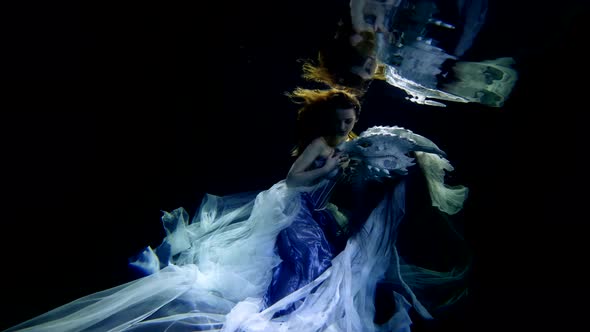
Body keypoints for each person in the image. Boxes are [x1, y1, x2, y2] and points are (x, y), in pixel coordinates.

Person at [4, 88, 470, 332]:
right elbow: (293, 181)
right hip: (292, 206)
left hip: (311, 210)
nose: (349, 128)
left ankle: (283, 302)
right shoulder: (317, 147)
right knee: (309, 260)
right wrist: (327, 174)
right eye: (343, 122)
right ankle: (276, 311)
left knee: (312, 262)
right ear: (329, 121)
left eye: (352, 122)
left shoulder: (341, 146)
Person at [301, 0, 519, 107]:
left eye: (359, 54)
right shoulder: (400, 70)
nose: (371, 55)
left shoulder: (366, 14)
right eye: (369, 66)